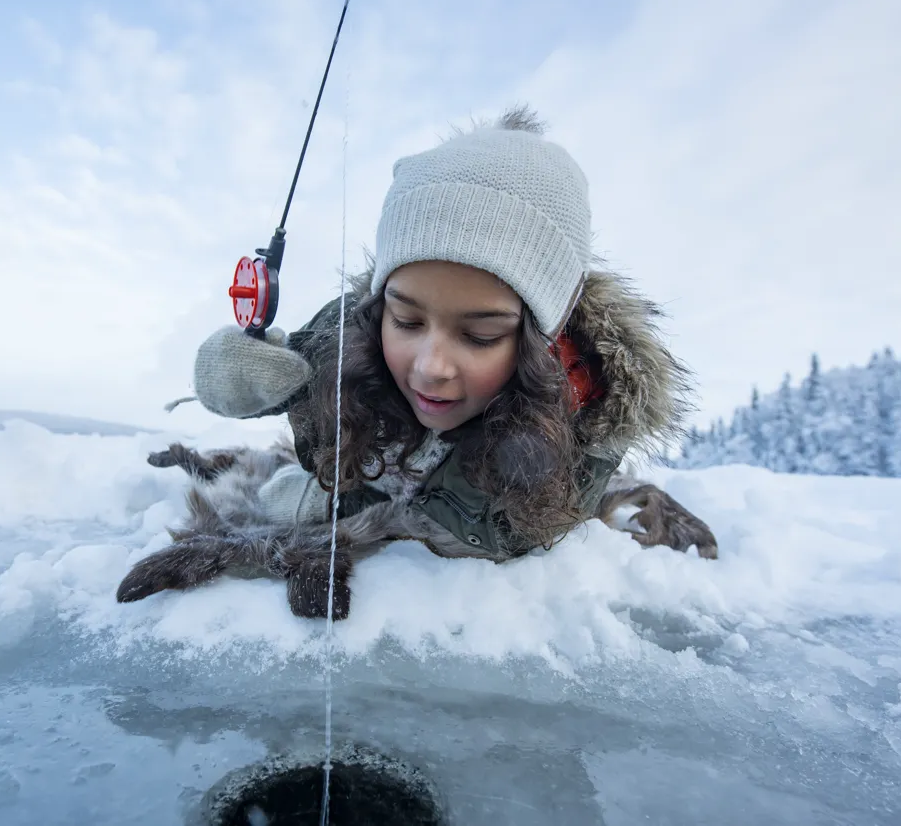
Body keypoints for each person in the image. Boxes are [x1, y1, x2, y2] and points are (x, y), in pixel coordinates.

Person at [117, 105, 717, 620]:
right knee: (283, 493)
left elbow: (495, 534)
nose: (431, 367)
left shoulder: (586, 414)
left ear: (546, 344)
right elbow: (286, 365)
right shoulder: (356, 330)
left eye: (479, 335)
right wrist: (248, 377)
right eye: (406, 321)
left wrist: (347, 516)